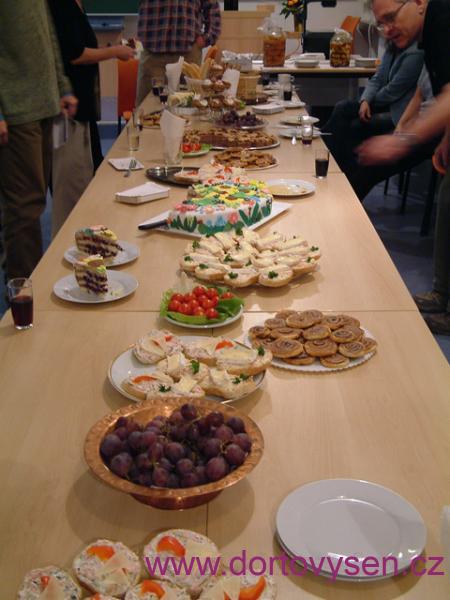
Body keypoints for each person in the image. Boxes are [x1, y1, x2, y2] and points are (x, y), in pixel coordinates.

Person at [357, 0, 450, 335]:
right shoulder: (427, 32)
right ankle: (442, 295)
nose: (387, 30)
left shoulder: (443, 19)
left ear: (419, 3)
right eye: (381, 23)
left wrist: (402, 141)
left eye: (391, 18)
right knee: (447, 203)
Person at [0, 1, 77, 281]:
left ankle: (28, 282)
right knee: (24, 207)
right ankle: (23, 292)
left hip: (46, 105)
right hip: (16, 110)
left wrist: (62, 87)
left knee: (35, 201)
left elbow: (48, 35)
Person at [48, 0, 135, 237]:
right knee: (69, 186)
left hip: (82, 109)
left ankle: (83, 239)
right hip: (67, 113)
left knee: (85, 175)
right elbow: (75, 54)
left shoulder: (75, 5)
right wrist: (114, 52)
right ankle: (65, 243)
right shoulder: (60, 5)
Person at [322, 40, 424, 185]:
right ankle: (330, 158)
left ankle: (337, 166)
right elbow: (377, 78)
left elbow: (393, 91)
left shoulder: (415, 53)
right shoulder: (393, 47)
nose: (387, 30)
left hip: (397, 112)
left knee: (354, 125)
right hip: (381, 104)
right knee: (342, 107)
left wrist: (369, 102)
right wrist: (365, 100)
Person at [136, 0, 221, 105]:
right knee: (148, 109)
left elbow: (212, 5)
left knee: (190, 107)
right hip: (152, 53)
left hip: (189, 55)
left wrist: (207, 37)